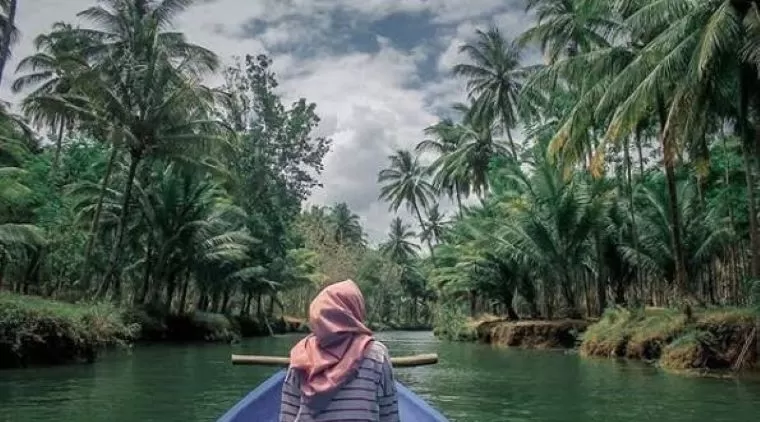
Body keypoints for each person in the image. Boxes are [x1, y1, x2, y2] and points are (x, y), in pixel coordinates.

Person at [279, 279, 400, 422]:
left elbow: (287, 416)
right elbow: (389, 415)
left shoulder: (302, 354)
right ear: (355, 310)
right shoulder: (376, 354)